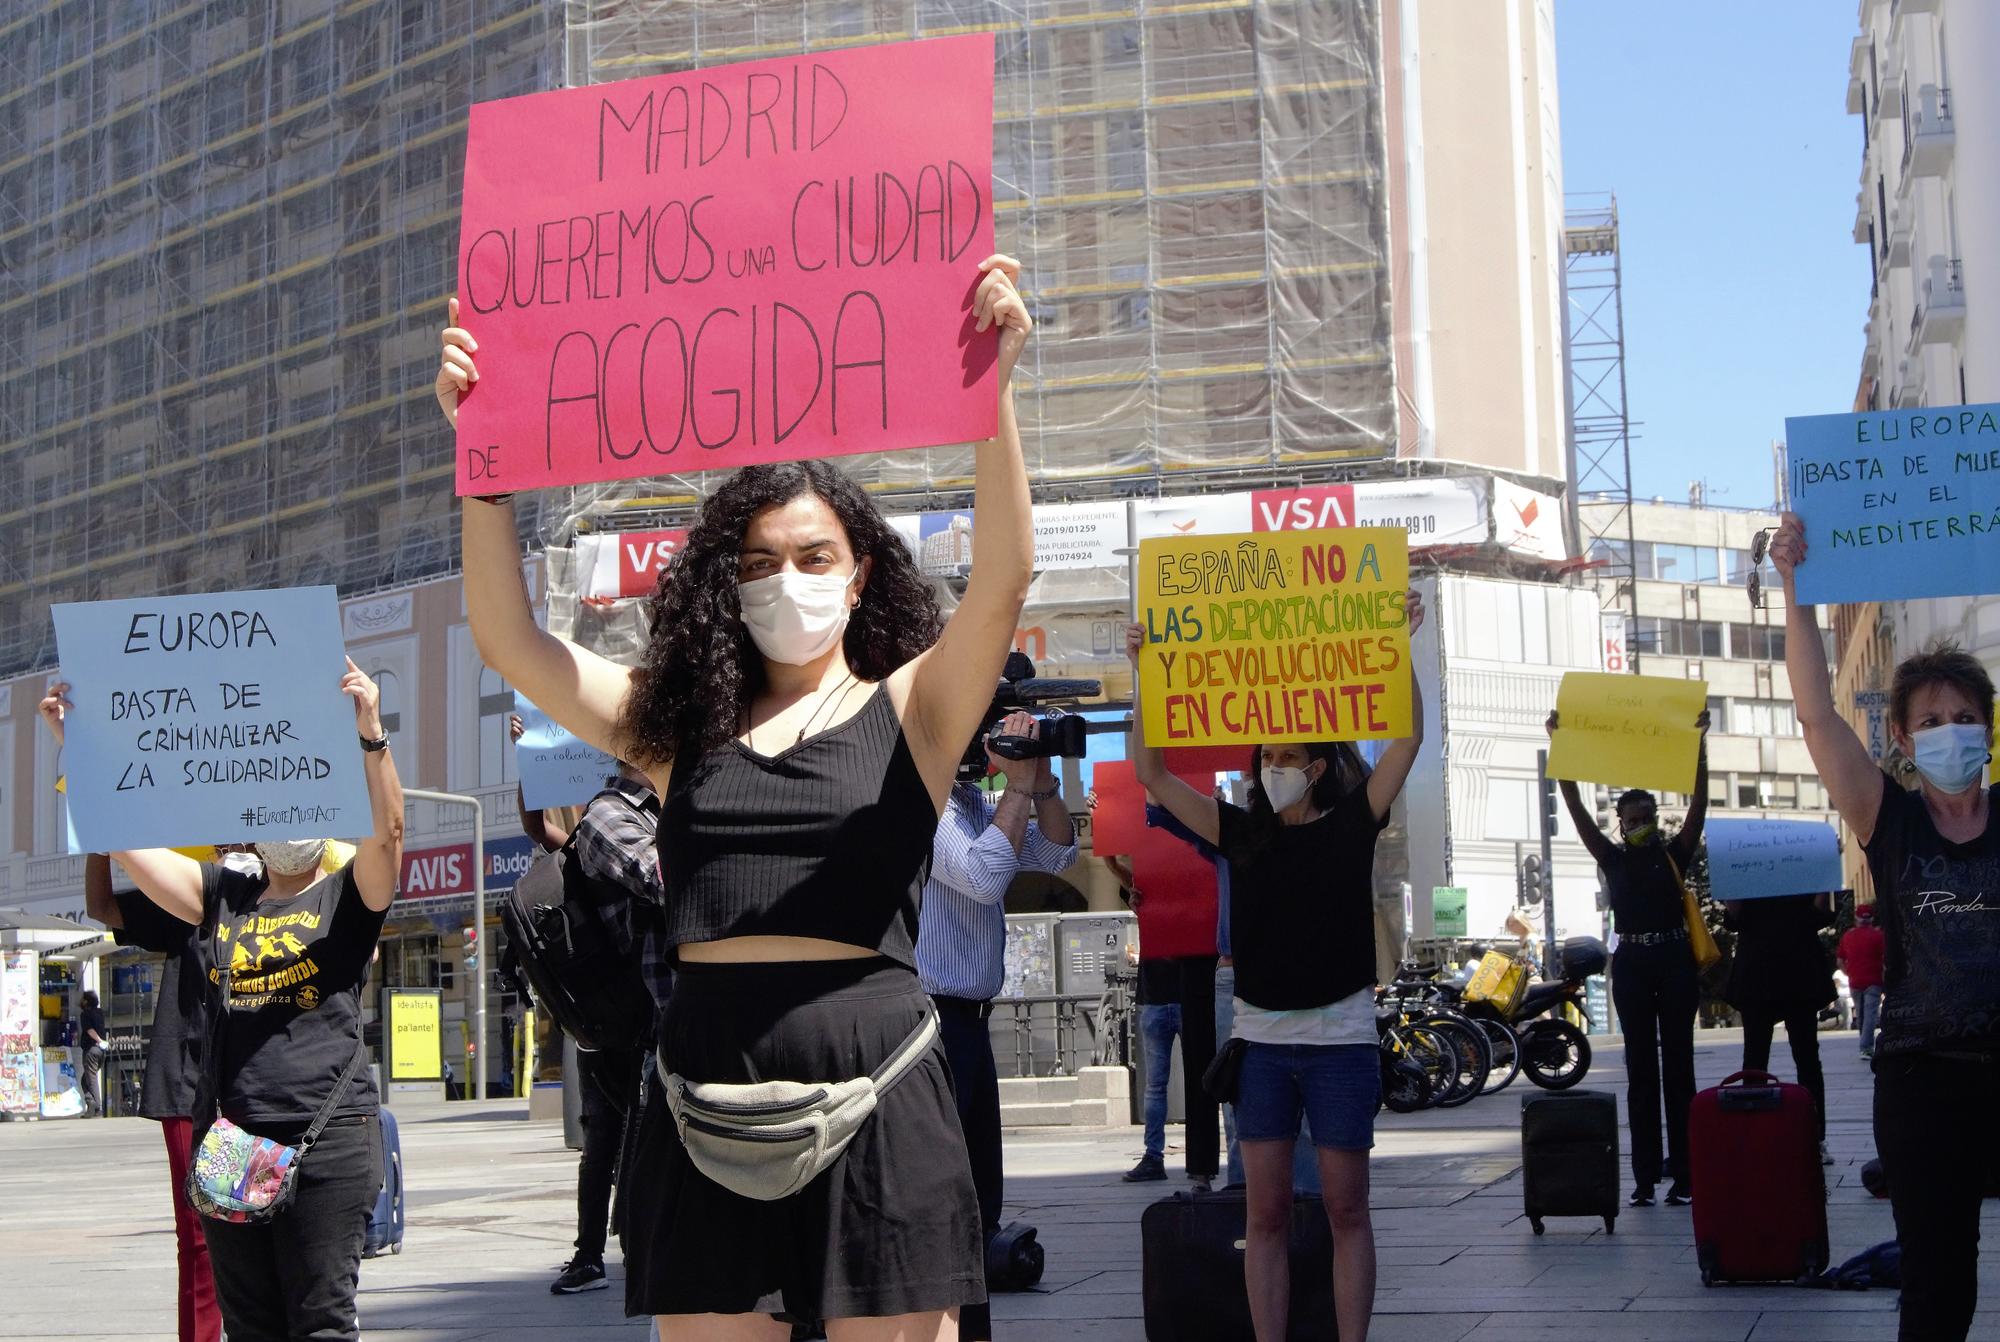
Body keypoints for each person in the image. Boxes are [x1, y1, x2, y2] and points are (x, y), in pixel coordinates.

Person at [438, 253, 1034, 1340]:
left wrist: (992, 390)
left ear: (860, 575)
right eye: (759, 563)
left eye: (814, 556)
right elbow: (510, 641)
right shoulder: (675, 733)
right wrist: (482, 462)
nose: (787, 580)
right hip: (704, 1082)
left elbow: (1000, 579)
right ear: (725, 582)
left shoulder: (917, 709)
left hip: (880, 1076)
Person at [46, 659, 405, 1342]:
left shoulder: (348, 899)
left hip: (326, 1139)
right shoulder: (221, 897)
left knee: (322, 1322)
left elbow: (388, 836)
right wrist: (80, 750)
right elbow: (125, 846)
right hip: (235, 1140)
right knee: (250, 1327)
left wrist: (371, 735)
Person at [1125, 593, 1427, 1342]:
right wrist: (1144, 675)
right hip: (1261, 1048)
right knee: (1261, 1213)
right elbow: (1154, 776)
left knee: (1345, 1209)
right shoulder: (1239, 831)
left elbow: (1407, 740)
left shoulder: (1354, 824)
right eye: (1266, 756)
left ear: (1318, 767)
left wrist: (1399, 646)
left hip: (1343, 1046)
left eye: (1288, 756)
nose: (1273, 765)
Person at [1769, 512, 1997, 1342]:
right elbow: (1816, 716)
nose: (1948, 734)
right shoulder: (1888, 818)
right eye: (1929, 722)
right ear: (1901, 738)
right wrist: (1795, 589)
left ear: (1989, 727)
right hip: (1923, 1083)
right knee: (1940, 1279)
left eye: (1963, 717)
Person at [917, 711, 1079, 1340]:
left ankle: (973, 1327)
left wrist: (1038, 782)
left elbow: (1059, 852)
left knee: (981, 1200)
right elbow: (985, 878)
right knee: (945, 1199)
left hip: (971, 1022)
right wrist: (1014, 788)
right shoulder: (926, 802)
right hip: (933, 1018)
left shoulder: (970, 802)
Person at [1547, 708, 1710, 1208]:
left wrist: (1701, 749)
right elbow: (1573, 805)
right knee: (1641, 1070)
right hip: (1634, 968)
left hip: (1675, 961)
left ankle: (1684, 1175)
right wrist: (1561, 746)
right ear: (1620, 823)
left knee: (1678, 1067)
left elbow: (1699, 805)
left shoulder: (1673, 853)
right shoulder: (1611, 857)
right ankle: (1643, 1179)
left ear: (1657, 820)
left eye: (1647, 818)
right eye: (1631, 819)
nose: (1640, 825)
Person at [1722, 892, 1835, 1164]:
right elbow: (1733, 917)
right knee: (1771, 1057)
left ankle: (1811, 1136)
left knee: (1792, 1056)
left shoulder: (1749, 862)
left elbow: (1820, 913)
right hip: (1786, 966)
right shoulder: (1788, 864)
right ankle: (1759, 1133)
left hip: (1777, 967)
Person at [1836, 902, 1885, 1059]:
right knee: (1870, 1013)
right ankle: (1866, 1047)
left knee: (1861, 1014)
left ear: (1856, 918)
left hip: (1855, 980)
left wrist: (1848, 973)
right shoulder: (1879, 935)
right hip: (1874, 979)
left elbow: (1840, 961)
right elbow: (1886, 958)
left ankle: (1863, 1044)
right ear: (1872, 918)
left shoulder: (1848, 936)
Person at [76, 989, 109, 1117]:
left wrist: (99, 1040)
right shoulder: (100, 1012)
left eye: (83, 999)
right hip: (101, 1050)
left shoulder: (85, 1014)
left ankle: (96, 1107)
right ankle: (92, 1104)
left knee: (91, 1078)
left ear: (86, 1001)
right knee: (85, 1080)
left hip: (91, 1049)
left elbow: (90, 1031)